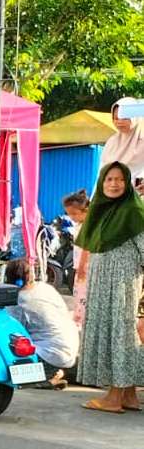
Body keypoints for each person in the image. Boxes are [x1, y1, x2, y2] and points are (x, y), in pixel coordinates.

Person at [74, 162, 144, 413]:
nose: (114, 184)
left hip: (122, 284)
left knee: (119, 334)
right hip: (103, 283)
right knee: (118, 333)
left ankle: (114, 397)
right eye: (109, 179)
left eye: (119, 179)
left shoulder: (134, 211)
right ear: (102, 183)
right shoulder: (102, 210)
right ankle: (128, 395)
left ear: (127, 183)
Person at [3, 259, 77, 389]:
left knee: (5, 372)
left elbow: (12, 332)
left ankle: (49, 378)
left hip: (50, 355)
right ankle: (61, 372)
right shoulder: (45, 288)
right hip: (70, 350)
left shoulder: (19, 300)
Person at [101, 98, 144, 183]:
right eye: (116, 118)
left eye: (124, 118)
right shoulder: (111, 142)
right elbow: (102, 173)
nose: (119, 122)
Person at [65, 189, 91, 325]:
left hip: (85, 265)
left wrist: (81, 267)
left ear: (86, 210)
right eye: (69, 214)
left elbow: (87, 247)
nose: (72, 217)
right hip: (80, 264)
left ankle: (82, 319)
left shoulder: (88, 226)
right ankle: (80, 317)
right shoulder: (81, 225)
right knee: (79, 293)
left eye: (74, 214)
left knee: (83, 294)